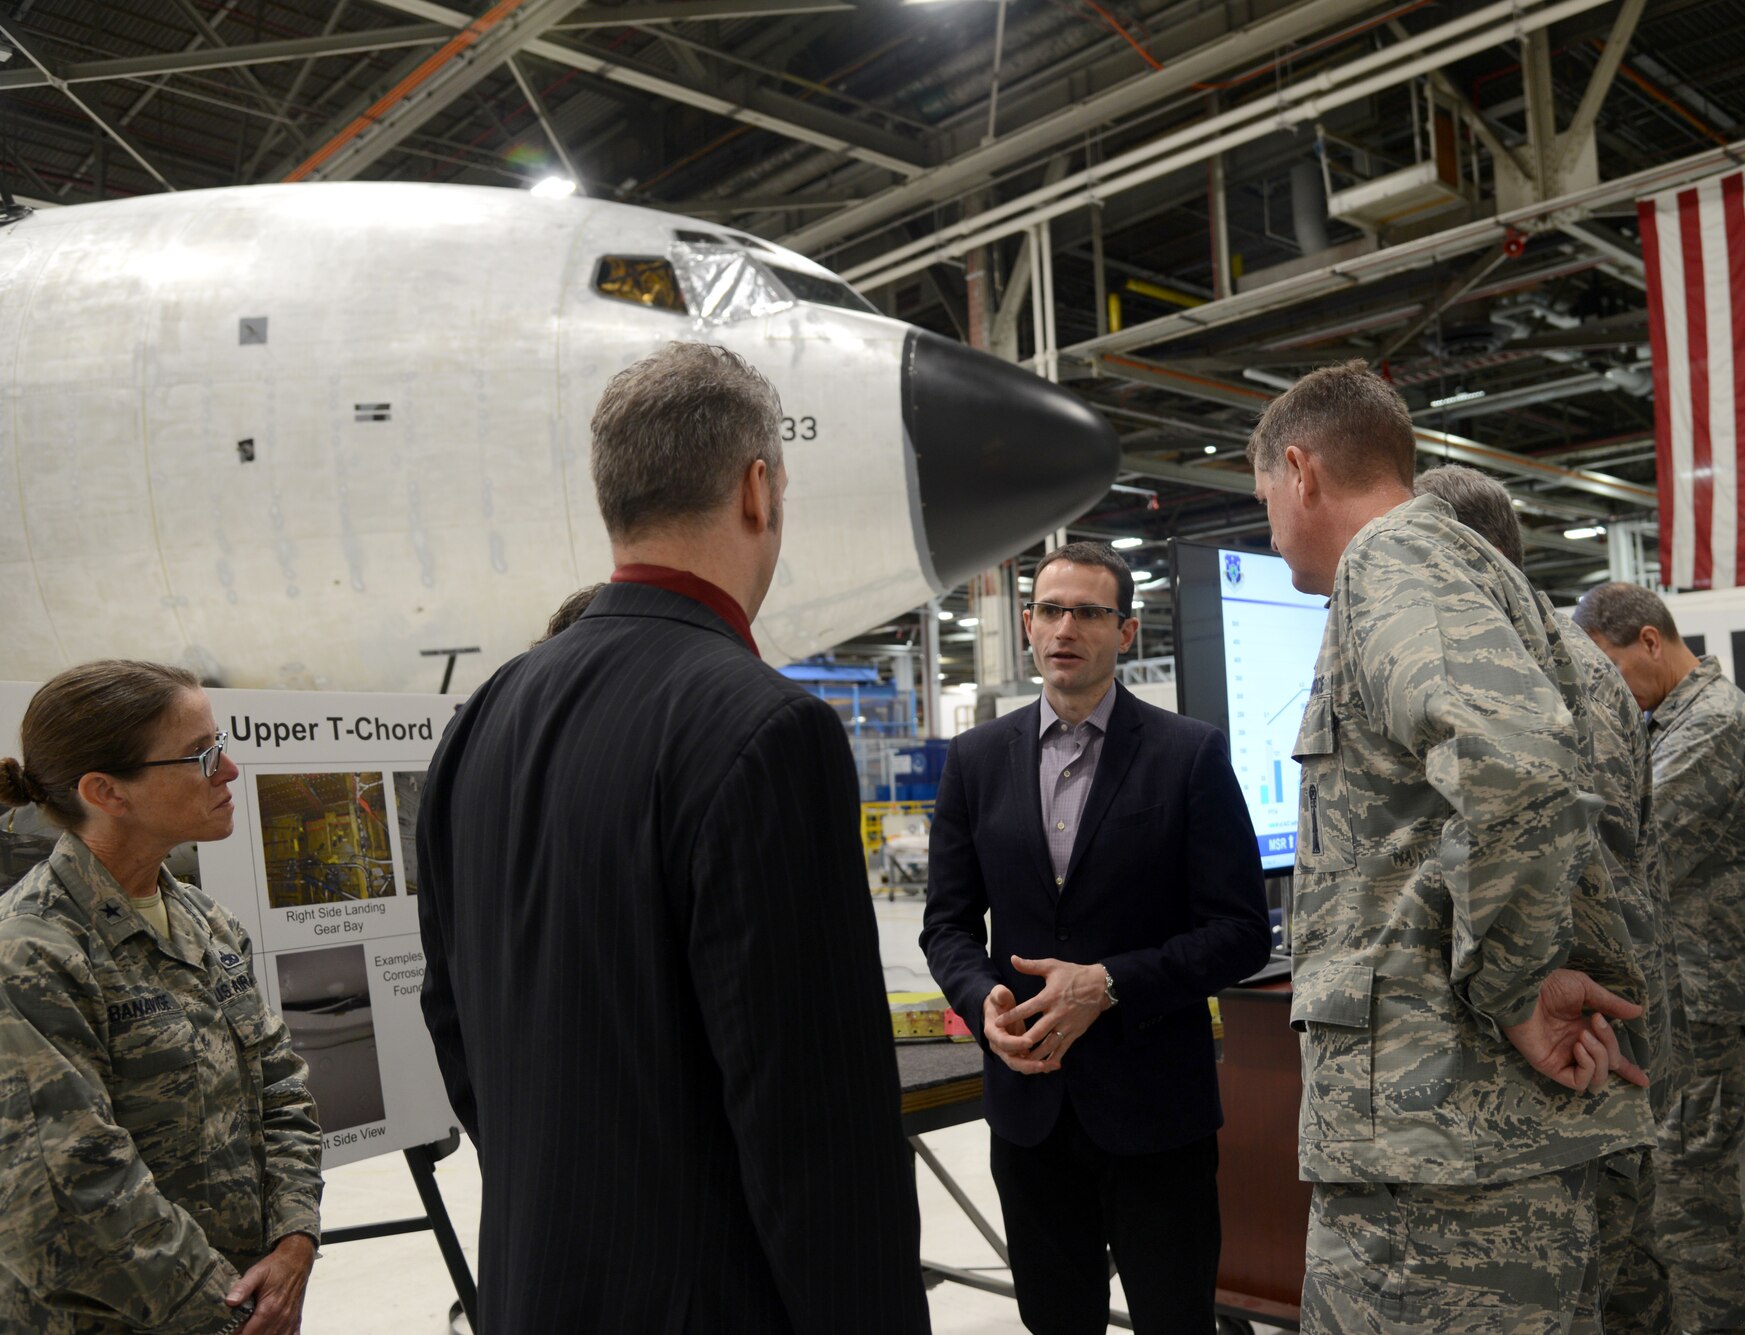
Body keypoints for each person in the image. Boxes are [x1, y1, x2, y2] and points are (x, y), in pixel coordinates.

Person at [416, 344, 929, 1334]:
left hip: (532, 1292)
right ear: (756, 489)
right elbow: (811, 1125)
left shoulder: (480, 721)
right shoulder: (766, 729)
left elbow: (454, 1027)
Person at [1250, 361, 1652, 1335]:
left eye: (1261, 493)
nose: (1266, 523)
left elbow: (1511, 764)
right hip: (1464, 1142)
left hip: (1433, 1153)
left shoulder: (1392, 560)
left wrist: (1509, 985)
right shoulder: (1465, 568)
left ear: (1299, 471)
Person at [920, 541, 1270, 1335]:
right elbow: (946, 923)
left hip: (1155, 1112)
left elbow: (1242, 931)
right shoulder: (975, 760)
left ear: (1128, 631)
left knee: (1174, 1318)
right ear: (1028, 627)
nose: (1065, 626)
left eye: (1088, 611)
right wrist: (985, 1002)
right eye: (1049, 610)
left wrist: (1107, 981)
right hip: (1028, 1109)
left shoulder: (1189, 753)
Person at [1415, 465, 1677, 1334]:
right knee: (1628, 1267)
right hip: (1614, 1016)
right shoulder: (1593, 673)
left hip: (1544, 1038)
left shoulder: (1492, 663)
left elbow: (1512, 850)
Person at [0, 660, 323, 1335]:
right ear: (106, 791)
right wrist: (229, 1315)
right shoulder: (32, 954)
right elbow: (69, 1195)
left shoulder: (208, 924)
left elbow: (282, 1087)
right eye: (204, 754)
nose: (229, 769)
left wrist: (295, 1244)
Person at [1573, 581, 1745, 1335]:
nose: (1606, 691)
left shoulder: (1713, 723)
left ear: (1650, 642)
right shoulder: (1668, 721)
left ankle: (1728, 1323)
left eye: (1609, 669)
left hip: (1696, 993)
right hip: (1674, 992)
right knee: (1668, 1193)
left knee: (1693, 1198)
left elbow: (1633, 832)